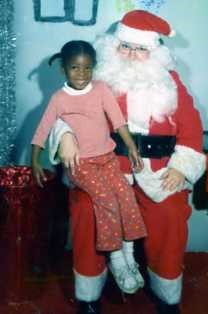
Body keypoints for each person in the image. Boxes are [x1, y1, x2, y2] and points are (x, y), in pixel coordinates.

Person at [49, 10, 206, 314]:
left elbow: (192, 127)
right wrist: (65, 135)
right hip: (102, 166)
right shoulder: (96, 77)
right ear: (113, 47)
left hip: (157, 171)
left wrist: (180, 166)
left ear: (155, 52)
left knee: (171, 215)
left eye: (141, 49)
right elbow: (64, 113)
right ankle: (89, 294)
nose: (132, 55)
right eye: (125, 47)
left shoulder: (170, 81)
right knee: (87, 211)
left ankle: (166, 295)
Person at [31, 40, 147, 296]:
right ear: (63, 69)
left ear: (94, 68)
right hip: (82, 165)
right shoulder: (59, 99)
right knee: (105, 199)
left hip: (107, 158)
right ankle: (116, 259)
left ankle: (129, 257)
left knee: (126, 195)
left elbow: (118, 122)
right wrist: (35, 160)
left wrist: (132, 148)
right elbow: (42, 130)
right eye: (75, 68)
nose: (81, 75)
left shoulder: (102, 90)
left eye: (87, 69)